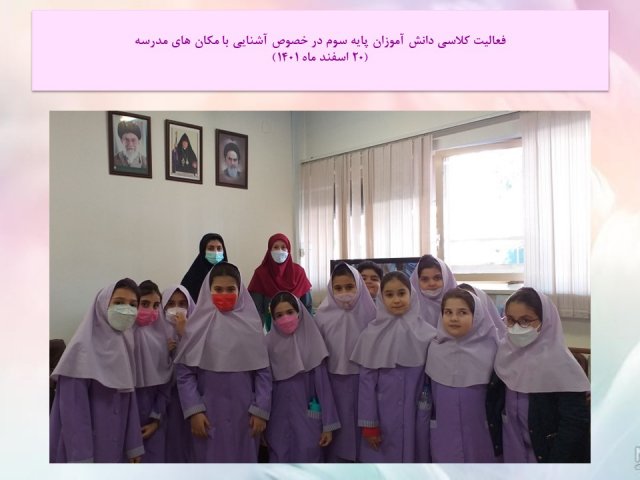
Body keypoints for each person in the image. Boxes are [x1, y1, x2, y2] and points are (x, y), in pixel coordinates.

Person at [174, 262, 272, 463]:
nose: (224, 294)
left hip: (245, 416)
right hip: (207, 415)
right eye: (218, 289)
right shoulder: (197, 327)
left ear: (240, 291)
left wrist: (260, 410)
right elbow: (185, 373)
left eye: (230, 289)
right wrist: (194, 410)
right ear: (208, 290)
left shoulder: (252, 326)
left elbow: (263, 373)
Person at [487, 287, 591, 463]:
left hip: (546, 455)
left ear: (546, 321)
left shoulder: (562, 364)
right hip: (512, 449)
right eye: (510, 320)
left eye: (526, 321)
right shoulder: (504, 353)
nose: (516, 328)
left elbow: (574, 423)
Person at [50, 278, 144, 463]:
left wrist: (133, 446)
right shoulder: (80, 350)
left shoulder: (126, 344)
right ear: (102, 305)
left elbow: (130, 399)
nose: (126, 309)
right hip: (85, 450)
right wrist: (83, 461)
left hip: (116, 444)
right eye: (119, 302)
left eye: (133, 305)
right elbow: (73, 415)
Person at [350, 271, 436, 462]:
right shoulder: (371, 335)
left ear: (411, 294)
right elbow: (366, 384)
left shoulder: (429, 334)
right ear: (381, 298)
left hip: (417, 412)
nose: (396, 300)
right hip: (383, 415)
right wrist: (369, 424)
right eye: (389, 295)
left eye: (401, 293)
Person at [424, 288, 499, 463]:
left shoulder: (493, 349)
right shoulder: (434, 348)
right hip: (444, 434)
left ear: (476, 316)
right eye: (448, 312)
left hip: (481, 433)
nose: (454, 318)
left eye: (462, 312)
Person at [265, 292, 341, 462]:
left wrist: (328, 425)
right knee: (279, 460)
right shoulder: (267, 345)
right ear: (273, 319)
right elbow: (264, 387)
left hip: (308, 418)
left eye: (290, 312)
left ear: (299, 312)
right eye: (279, 315)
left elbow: (324, 388)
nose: (285, 318)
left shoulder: (313, 343)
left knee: (308, 459)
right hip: (277, 420)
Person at [315, 262, 376, 462]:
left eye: (350, 287)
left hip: (365, 382)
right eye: (338, 288)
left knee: (364, 432)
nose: (344, 293)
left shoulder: (372, 314)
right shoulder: (322, 316)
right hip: (333, 382)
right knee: (338, 435)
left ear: (359, 286)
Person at [132, 280, 173, 463]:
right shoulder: (123, 339)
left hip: (154, 418)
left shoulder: (162, 340)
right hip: (126, 418)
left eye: (156, 305)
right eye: (145, 304)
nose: (151, 310)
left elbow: (166, 384)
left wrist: (156, 420)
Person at [248, 233, 312, 331]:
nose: (280, 251)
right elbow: (257, 310)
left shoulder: (299, 272)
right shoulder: (260, 274)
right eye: (276, 247)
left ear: (288, 250)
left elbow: (307, 306)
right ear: (269, 250)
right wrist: (256, 333)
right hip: (272, 329)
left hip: (298, 328)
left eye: (283, 247)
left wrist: (308, 329)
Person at [161, 284, 196, 463]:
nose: (177, 309)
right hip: (165, 400)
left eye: (182, 304)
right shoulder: (155, 330)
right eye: (171, 304)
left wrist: (185, 335)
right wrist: (163, 352)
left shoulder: (198, 330)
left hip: (192, 399)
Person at [409, 254, 457, 328]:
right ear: (416, 281)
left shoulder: (463, 305)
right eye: (425, 279)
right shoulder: (408, 308)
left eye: (437, 278)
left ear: (446, 278)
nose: (432, 283)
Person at [181, 233, 228, 302]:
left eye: (219, 248)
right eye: (211, 248)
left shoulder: (230, 275)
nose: (216, 252)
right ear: (203, 251)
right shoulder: (192, 278)